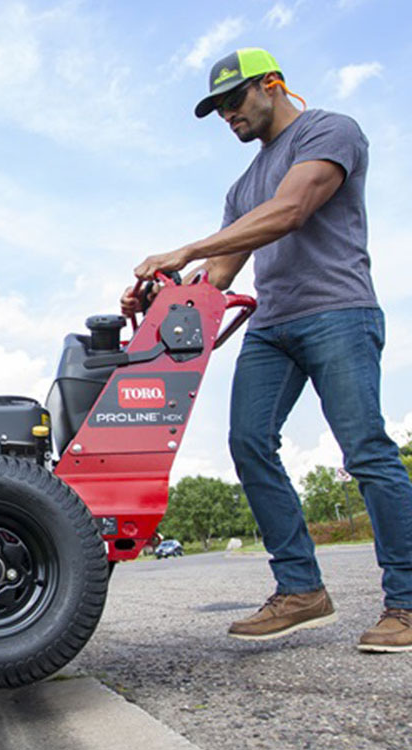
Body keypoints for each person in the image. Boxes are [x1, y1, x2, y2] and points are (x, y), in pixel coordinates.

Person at [123, 48, 412, 652]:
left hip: (338, 312)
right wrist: (158, 298)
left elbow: (291, 210)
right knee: (249, 442)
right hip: (273, 326)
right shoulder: (242, 185)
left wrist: (183, 248)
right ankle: (301, 589)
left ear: (273, 85)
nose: (227, 115)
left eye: (234, 101)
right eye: (217, 109)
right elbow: (219, 274)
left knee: (366, 451)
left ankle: (407, 602)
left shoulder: (328, 131)